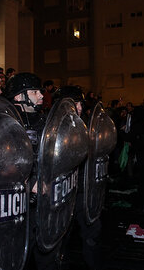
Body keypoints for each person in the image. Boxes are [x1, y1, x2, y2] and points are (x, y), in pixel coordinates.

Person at [5, 73, 57, 270]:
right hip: (17, 202)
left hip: (44, 198)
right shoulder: (6, 120)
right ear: (19, 97)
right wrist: (31, 181)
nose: (41, 96)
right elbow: (2, 161)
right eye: (35, 92)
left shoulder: (45, 120)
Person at [53, 85, 103, 270]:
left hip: (82, 189)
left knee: (92, 232)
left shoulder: (85, 124)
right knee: (59, 237)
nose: (80, 107)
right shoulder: (52, 128)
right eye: (75, 103)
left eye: (81, 103)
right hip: (61, 192)